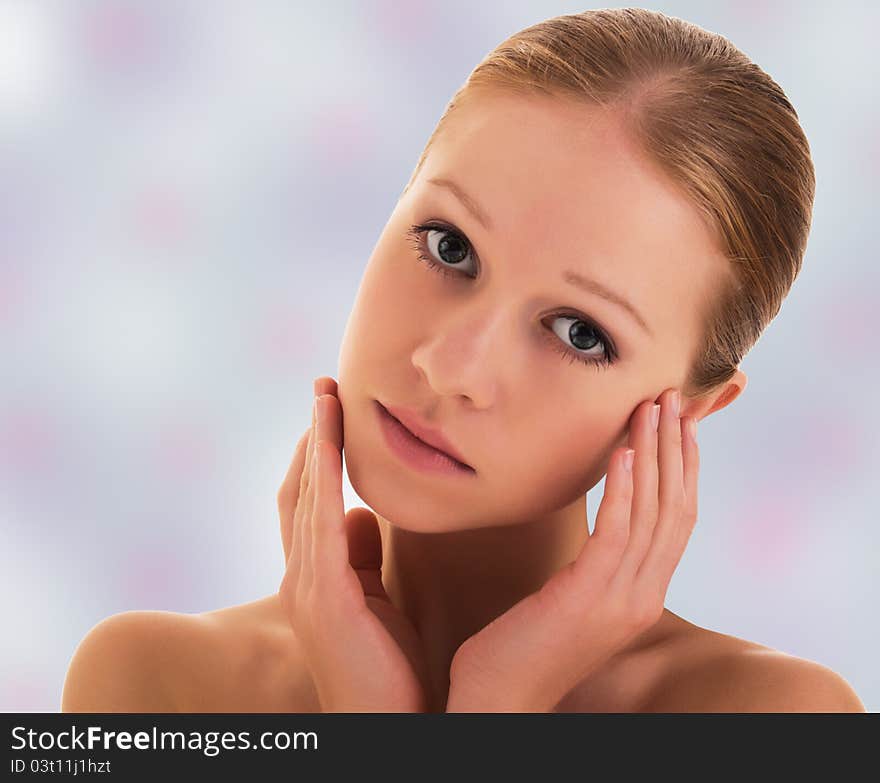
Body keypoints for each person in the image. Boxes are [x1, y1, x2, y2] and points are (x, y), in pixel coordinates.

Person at [62, 8, 865, 714]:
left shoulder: (765, 718)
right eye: (449, 246)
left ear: (686, 412)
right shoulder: (152, 682)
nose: (451, 367)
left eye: (580, 332)